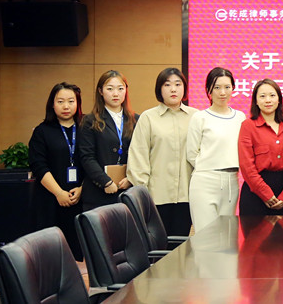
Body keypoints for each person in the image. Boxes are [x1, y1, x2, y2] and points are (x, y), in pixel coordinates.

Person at [127, 68, 198, 235]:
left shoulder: (196, 117)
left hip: (187, 196)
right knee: (157, 244)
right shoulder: (148, 118)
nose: (173, 89)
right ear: (159, 89)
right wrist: (142, 194)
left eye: (178, 84)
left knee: (180, 244)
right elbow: (138, 156)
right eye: (167, 85)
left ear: (184, 88)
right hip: (156, 196)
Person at [28, 82, 85, 260]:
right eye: (60, 101)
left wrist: (83, 189)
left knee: (80, 251)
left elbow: (94, 161)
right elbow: (38, 165)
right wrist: (59, 192)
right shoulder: (42, 131)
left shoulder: (87, 128)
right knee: (51, 254)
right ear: (52, 104)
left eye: (71, 101)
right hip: (49, 200)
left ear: (78, 103)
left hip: (81, 198)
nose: (66, 106)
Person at [187, 67, 246, 231]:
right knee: (206, 234)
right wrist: (209, 166)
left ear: (233, 89)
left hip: (231, 181)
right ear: (209, 90)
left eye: (227, 87)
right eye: (217, 87)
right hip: (205, 181)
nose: (222, 92)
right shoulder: (200, 117)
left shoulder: (240, 117)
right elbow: (191, 153)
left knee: (227, 236)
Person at [79, 70, 137, 210]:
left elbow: (141, 155)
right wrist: (105, 181)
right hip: (98, 192)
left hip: (127, 191)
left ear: (126, 90)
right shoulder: (90, 121)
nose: (115, 94)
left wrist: (131, 178)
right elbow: (87, 157)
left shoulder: (136, 120)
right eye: (110, 89)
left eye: (120, 89)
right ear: (100, 91)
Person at [238, 79, 283, 216]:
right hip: (255, 194)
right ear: (255, 101)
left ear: (279, 99)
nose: (268, 100)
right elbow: (247, 166)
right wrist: (266, 194)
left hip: (282, 195)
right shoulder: (248, 126)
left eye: (272, 95)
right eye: (262, 96)